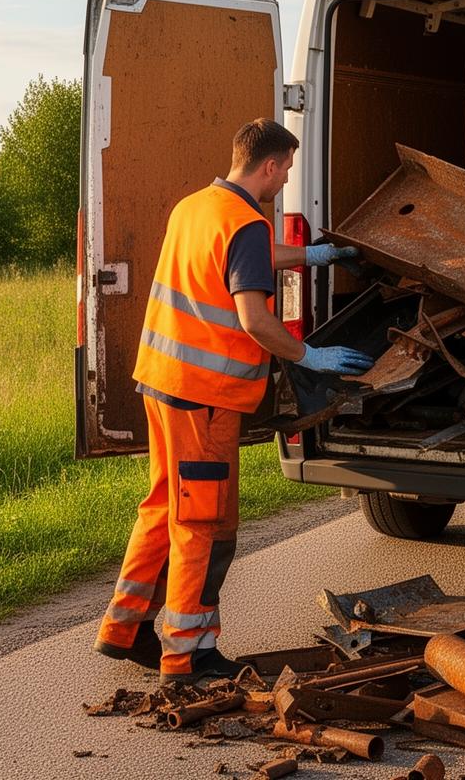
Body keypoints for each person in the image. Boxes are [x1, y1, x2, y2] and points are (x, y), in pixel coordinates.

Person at [94, 118, 373, 683]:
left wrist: (311, 258)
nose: (287, 177)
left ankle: (123, 631)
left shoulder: (195, 206)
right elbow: (253, 318)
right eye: (287, 168)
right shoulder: (245, 223)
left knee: (163, 506)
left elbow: (239, 258)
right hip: (206, 399)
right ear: (269, 165)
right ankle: (186, 654)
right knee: (204, 523)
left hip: (161, 382)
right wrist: (307, 356)